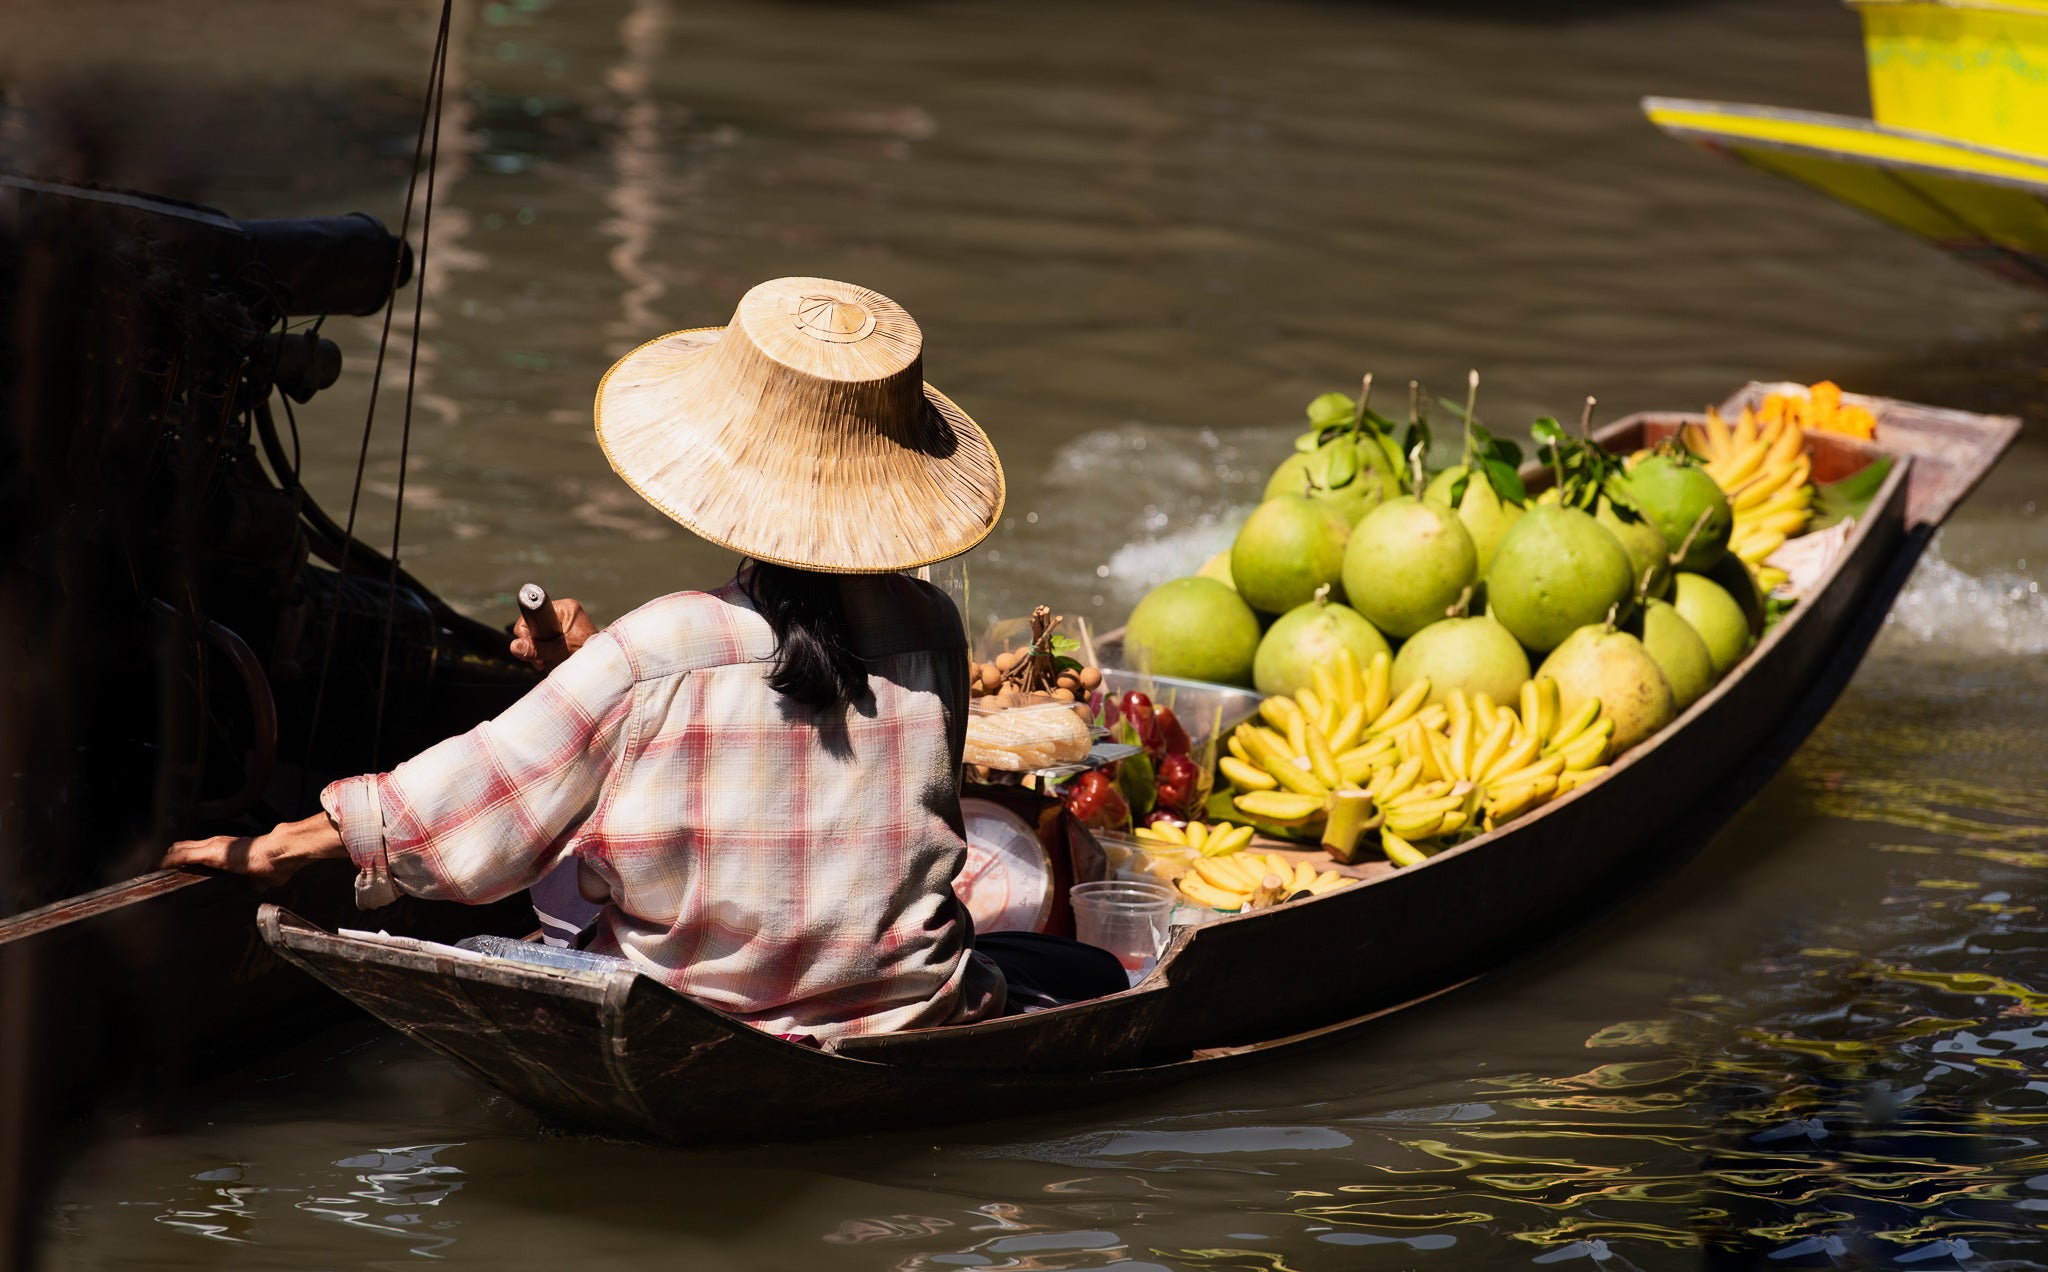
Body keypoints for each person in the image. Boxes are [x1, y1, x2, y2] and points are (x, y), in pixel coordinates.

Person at [162, 276, 1122, 1039]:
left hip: (695, 1022)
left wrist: (282, 845)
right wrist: (600, 667)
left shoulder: (657, 647)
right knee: (1093, 973)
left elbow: (473, 795)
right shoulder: (929, 632)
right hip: (897, 1019)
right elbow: (798, 696)